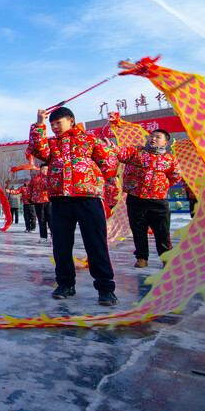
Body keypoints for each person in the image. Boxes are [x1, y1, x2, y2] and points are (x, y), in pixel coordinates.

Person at [29, 107, 119, 306]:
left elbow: (108, 164)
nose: (55, 128)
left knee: (96, 244)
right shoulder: (51, 144)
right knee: (61, 245)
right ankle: (65, 283)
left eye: (58, 123)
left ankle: (105, 287)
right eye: (51, 125)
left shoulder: (90, 140)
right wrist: (39, 124)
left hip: (88, 198)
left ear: (71, 120)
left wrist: (94, 180)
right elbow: (37, 150)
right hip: (60, 200)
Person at [106, 129, 181, 268]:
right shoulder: (136, 152)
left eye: (158, 137)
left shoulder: (170, 159)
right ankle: (142, 257)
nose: (153, 138)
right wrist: (110, 145)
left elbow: (175, 177)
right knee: (138, 230)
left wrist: (160, 187)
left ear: (165, 142)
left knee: (162, 230)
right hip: (136, 199)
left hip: (158, 201)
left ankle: (166, 257)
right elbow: (120, 154)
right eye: (152, 136)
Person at [29, 164, 52, 243]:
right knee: (41, 219)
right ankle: (43, 236)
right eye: (43, 169)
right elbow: (30, 188)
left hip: (48, 200)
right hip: (38, 201)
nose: (45, 171)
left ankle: (54, 235)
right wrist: (30, 197)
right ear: (40, 169)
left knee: (50, 218)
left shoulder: (50, 178)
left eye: (46, 169)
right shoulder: (35, 178)